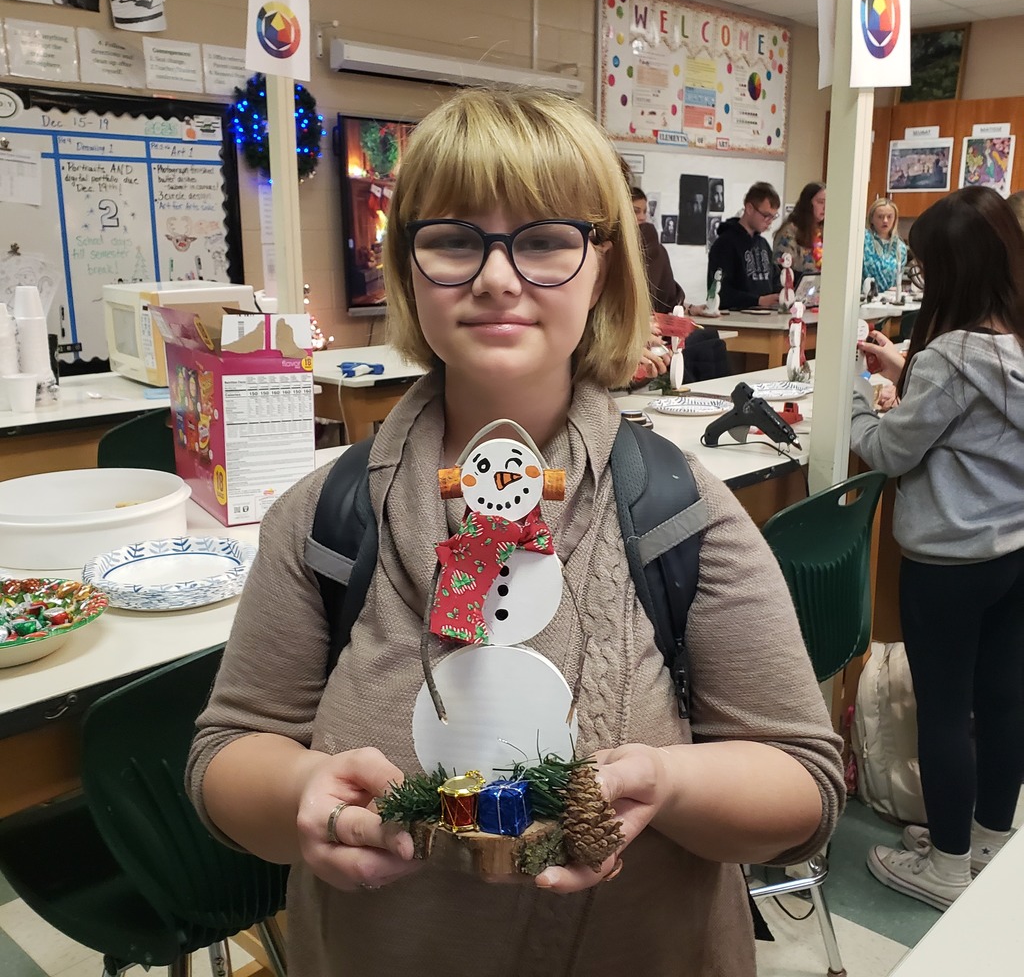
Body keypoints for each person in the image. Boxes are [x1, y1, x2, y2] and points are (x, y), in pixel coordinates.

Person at [186, 89, 844, 976]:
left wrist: (673, 781)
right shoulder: (324, 518)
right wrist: (301, 794)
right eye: (455, 240)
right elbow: (228, 753)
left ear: (603, 266)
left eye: (544, 240)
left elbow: (804, 785)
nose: (497, 277)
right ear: (409, 266)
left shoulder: (679, 509)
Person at [850, 185, 1024, 911]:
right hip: (1013, 552)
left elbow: (891, 450)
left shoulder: (951, 355)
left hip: (948, 563)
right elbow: (971, 430)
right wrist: (907, 373)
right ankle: (984, 842)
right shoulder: (1012, 345)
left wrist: (861, 396)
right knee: (1005, 699)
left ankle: (944, 868)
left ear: (952, 272)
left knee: (944, 709)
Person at [706, 181, 782, 310]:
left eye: (773, 217)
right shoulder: (725, 244)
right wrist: (758, 301)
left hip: (766, 318)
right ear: (749, 208)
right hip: (737, 320)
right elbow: (720, 293)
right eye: (766, 215)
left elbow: (774, 280)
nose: (769, 222)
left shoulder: (763, 244)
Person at [630, 185, 684, 314]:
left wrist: (690, 308)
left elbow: (666, 293)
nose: (642, 217)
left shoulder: (653, 244)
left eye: (644, 211)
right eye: (636, 211)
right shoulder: (610, 246)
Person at [773, 182, 825, 280]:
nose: (825, 207)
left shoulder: (823, 231)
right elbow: (780, 270)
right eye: (820, 202)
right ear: (808, 203)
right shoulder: (789, 231)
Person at [862, 197, 908, 294]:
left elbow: (898, 278)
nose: (885, 220)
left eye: (889, 216)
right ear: (871, 219)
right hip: (862, 298)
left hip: (887, 299)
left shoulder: (900, 248)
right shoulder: (863, 240)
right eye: (880, 217)